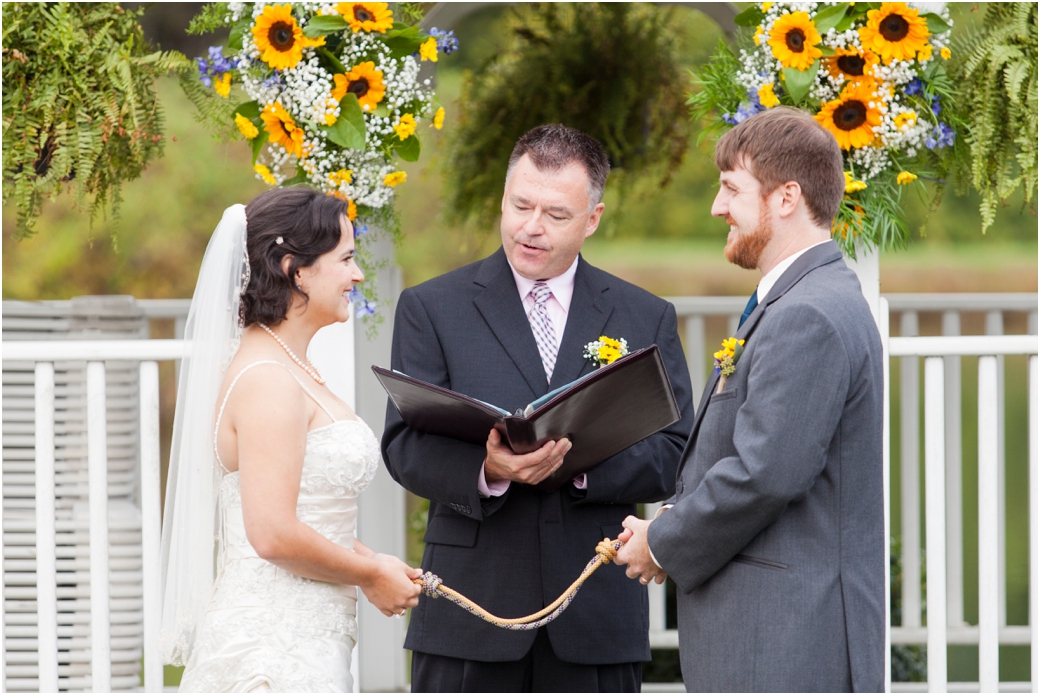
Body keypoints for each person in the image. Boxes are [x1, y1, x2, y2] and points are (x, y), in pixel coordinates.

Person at [381, 124, 695, 692]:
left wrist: (577, 466)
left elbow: (676, 453)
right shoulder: (432, 307)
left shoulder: (643, 316)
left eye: (555, 214)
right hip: (470, 610)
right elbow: (404, 445)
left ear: (592, 219)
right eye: (520, 205)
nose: (531, 227)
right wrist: (490, 470)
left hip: (594, 607)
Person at [614, 106, 885, 692]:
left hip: (785, 643)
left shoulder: (807, 314)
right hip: (777, 633)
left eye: (731, 188)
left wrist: (662, 541)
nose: (717, 207)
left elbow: (766, 473)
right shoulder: (804, 297)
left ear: (786, 198)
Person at [160, 187, 422, 692]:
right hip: (271, 649)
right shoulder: (268, 379)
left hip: (310, 636)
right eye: (346, 259)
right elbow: (274, 533)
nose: (358, 275)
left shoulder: (288, 366)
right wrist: (367, 576)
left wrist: (376, 563)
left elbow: (307, 514)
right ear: (294, 269)